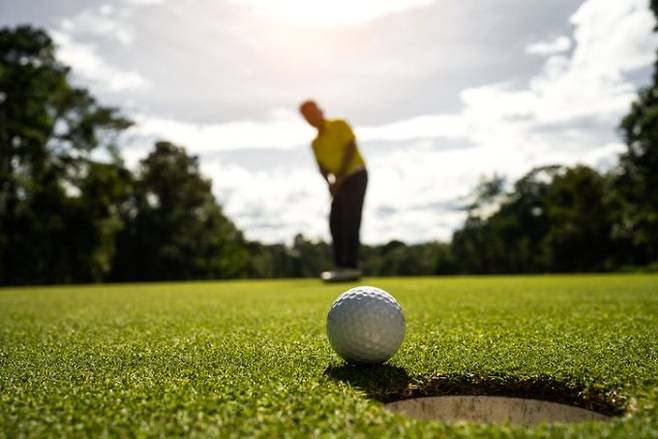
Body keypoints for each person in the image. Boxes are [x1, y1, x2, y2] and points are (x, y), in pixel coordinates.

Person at [299, 100, 368, 282]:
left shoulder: (340, 125)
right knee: (335, 221)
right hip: (338, 183)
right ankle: (340, 266)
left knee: (351, 219)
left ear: (320, 111)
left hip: (355, 175)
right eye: (307, 116)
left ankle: (351, 267)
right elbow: (321, 167)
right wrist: (330, 183)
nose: (311, 118)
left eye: (312, 113)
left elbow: (350, 150)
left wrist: (339, 177)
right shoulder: (315, 143)